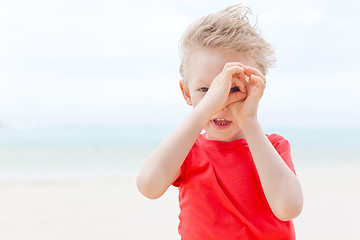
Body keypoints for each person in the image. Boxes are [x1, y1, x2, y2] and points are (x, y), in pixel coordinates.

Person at [137, 4, 303, 239]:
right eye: (206, 89)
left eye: (234, 89)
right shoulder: (187, 151)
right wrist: (204, 109)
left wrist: (249, 120)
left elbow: (288, 208)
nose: (221, 104)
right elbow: (149, 186)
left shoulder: (273, 147)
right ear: (186, 93)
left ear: (256, 88)